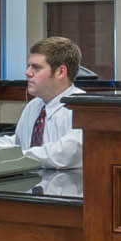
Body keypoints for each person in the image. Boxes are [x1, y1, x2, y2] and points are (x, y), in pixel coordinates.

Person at [16, 35, 85, 169]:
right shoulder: (34, 106)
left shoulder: (82, 108)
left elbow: (64, 154)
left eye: (36, 67)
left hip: (68, 187)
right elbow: (18, 143)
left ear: (60, 72)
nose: (27, 72)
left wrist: (17, 157)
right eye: (28, 66)